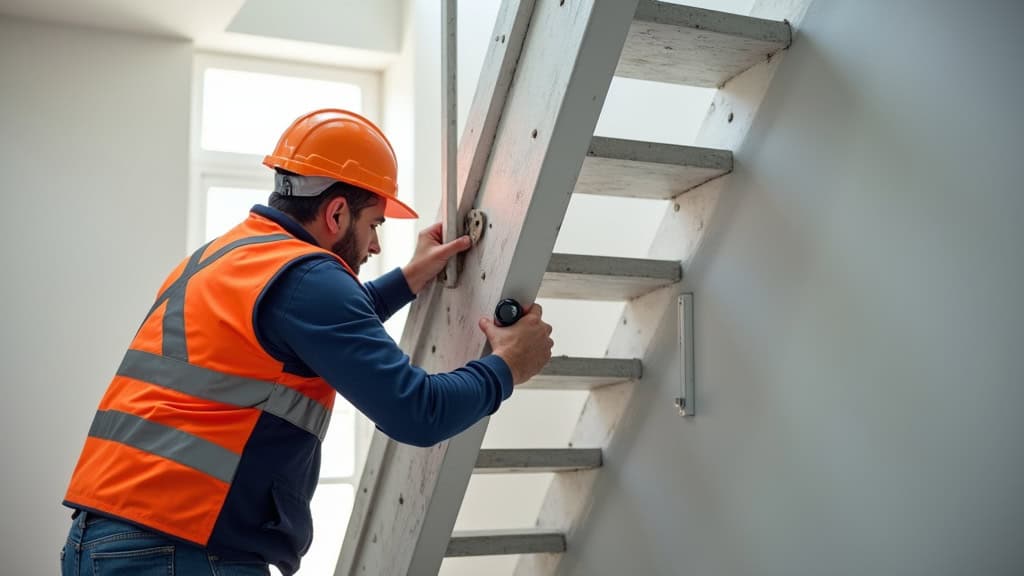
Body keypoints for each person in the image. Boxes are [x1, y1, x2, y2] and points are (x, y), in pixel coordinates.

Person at [60, 109, 554, 575]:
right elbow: (417, 412)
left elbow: (312, 328)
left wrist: (409, 279)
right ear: (337, 213)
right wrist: (508, 365)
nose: (377, 245)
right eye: (374, 225)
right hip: (181, 549)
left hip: (101, 540)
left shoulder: (227, 254)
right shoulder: (309, 280)